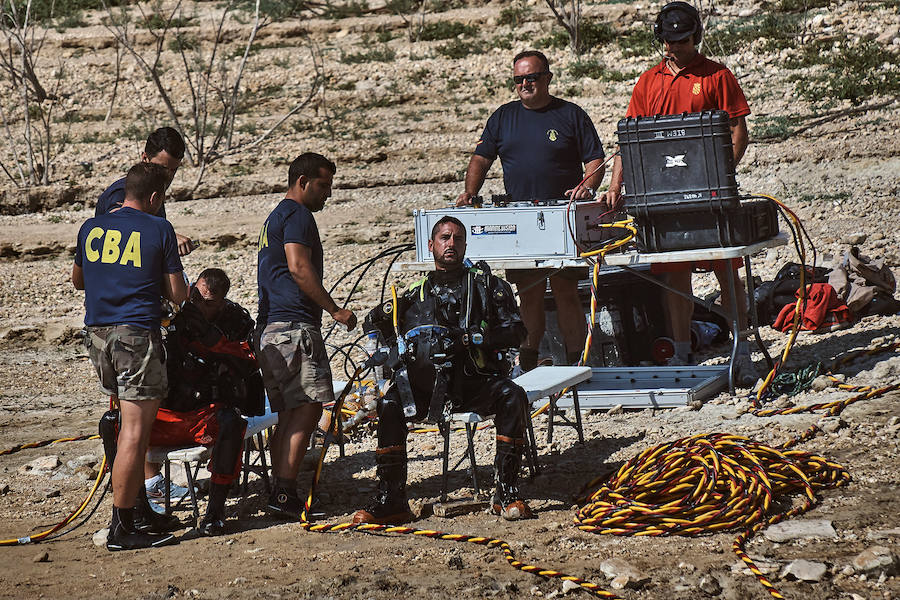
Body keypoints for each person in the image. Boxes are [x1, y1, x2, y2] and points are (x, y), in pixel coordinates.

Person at [603, 1, 757, 385]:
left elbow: (739, 131)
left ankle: (744, 349)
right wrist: (616, 183)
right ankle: (682, 350)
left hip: (711, 193)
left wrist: (724, 174)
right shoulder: (648, 81)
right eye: (670, 41)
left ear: (696, 36)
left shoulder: (718, 75)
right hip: (662, 198)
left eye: (683, 40)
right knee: (674, 275)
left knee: (726, 268)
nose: (676, 48)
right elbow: (630, 140)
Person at [353, 216, 532, 524]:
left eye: (457, 239)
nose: (451, 244)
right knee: (390, 403)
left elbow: (517, 332)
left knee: (513, 396)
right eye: (445, 238)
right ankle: (391, 498)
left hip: (474, 382)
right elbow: (374, 323)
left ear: (465, 244)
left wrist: (474, 337)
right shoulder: (414, 294)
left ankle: (506, 491)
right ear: (431, 245)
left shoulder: (487, 286)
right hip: (426, 387)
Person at [457, 50, 606, 372]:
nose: (525, 84)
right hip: (520, 220)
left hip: (564, 217)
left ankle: (578, 363)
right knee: (529, 295)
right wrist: (471, 192)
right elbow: (481, 158)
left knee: (567, 293)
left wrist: (587, 187)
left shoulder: (570, 114)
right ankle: (528, 363)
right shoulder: (503, 117)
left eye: (531, 78)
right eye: (518, 79)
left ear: (547, 78)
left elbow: (595, 159)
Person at [72, 162, 188, 551]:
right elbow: (178, 294)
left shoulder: (90, 227)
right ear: (154, 197)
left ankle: (137, 512)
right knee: (135, 434)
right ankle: (123, 526)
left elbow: (78, 280)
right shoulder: (159, 227)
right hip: (136, 335)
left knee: (125, 427)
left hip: (98, 337)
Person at [255, 152, 357, 519]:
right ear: (302, 182)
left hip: (269, 329)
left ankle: (280, 492)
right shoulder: (297, 215)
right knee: (311, 406)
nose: (328, 193)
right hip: (293, 327)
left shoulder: (274, 216)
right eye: (323, 185)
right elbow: (299, 267)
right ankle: (284, 494)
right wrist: (334, 309)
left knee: (288, 413)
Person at [145, 267, 264, 537]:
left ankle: (215, 512)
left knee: (232, 423)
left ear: (221, 301)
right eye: (195, 299)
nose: (198, 306)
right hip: (163, 415)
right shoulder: (170, 314)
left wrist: (214, 344)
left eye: (207, 303)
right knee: (114, 422)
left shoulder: (236, 320)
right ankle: (139, 509)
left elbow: (250, 361)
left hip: (204, 413)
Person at [96, 127, 196, 257]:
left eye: (173, 170)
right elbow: (116, 224)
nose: (168, 176)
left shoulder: (155, 191)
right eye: (162, 168)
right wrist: (166, 236)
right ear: (145, 158)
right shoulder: (123, 192)